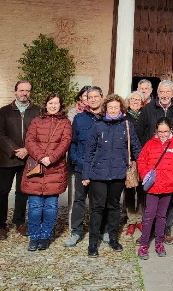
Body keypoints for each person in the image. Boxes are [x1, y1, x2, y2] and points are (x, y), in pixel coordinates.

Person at [82, 93, 142, 257]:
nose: (114, 110)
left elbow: (136, 148)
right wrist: (86, 174)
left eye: (116, 107)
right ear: (106, 108)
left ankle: (113, 238)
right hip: (98, 174)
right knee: (97, 207)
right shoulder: (98, 126)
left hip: (118, 173)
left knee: (114, 206)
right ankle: (93, 242)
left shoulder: (127, 125)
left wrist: (145, 168)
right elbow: (90, 151)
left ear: (121, 108)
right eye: (111, 107)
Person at [21, 93, 72, 251]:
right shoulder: (36, 121)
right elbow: (29, 141)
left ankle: (45, 236)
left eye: (56, 103)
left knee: (50, 207)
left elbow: (65, 142)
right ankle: (34, 237)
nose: (53, 106)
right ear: (46, 104)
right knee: (35, 207)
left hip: (55, 169)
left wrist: (52, 157)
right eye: (50, 103)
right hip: (36, 168)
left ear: (60, 105)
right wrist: (41, 157)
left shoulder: (65, 123)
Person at [136, 80, 173, 244]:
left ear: (172, 94)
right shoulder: (148, 109)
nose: (164, 95)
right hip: (152, 163)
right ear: (157, 93)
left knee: (169, 200)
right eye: (162, 92)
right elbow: (140, 132)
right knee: (149, 201)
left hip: (170, 163)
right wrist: (147, 151)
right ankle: (147, 231)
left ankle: (165, 231)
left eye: (168, 92)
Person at [0, 80, 41, 240]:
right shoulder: (4, 111)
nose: (24, 93)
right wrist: (14, 150)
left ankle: (19, 221)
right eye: (21, 90)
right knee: (3, 192)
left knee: (22, 192)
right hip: (7, 159)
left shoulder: (37, 112)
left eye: (27, 90)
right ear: (15, 92)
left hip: (27, 158)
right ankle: (0, 225)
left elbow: (39, 135)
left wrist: (27, 150)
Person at [136, 118, 173, 260]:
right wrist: (146, 174)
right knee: (148, 215)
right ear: (156, 131)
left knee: (162, 216)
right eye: (160, 132)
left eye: (166, 131)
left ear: (171, 130)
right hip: (153, 186)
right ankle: (144, 244)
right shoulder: (150, 144)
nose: (163, 134)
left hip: (168, 186)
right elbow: (141, 160)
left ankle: (159, 242)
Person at [64, 86, 104, 247]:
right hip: (82, 166)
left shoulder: (107, 118)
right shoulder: (80, 118)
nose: (93, 99)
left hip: (100, 169)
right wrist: (76, 159)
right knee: (79, 200)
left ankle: (98, 231)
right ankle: (76, 231)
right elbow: (73, 142)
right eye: (90, 97)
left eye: (96, 96)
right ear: (85, 99)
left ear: (101, 98)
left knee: (98, 202)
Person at [124, 91, 146, 236]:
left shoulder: (145, 115)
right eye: (132, 99)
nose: (135, 101)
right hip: (130, 158)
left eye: (138, 99)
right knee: (130, 190)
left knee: (142, 191)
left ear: (142, 102)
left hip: (144, 157)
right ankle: (131, 220)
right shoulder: (124, 117)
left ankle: (140, 218)